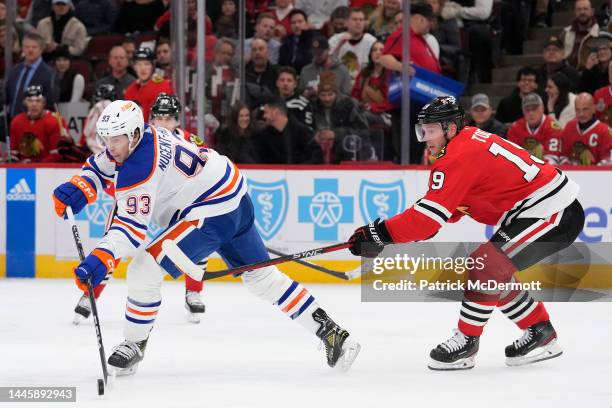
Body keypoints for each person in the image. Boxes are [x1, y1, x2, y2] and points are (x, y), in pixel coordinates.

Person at [51, 99, 360, 375]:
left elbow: (131, 230)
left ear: (132, 134)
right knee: (263, 280)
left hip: (212, 212)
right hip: (234, 196)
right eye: (107, 139)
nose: (110, 146)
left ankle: (133, 344)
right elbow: (103, 162)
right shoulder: (144, 135)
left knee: (144, 269)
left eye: (115, 139)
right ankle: (333, 334)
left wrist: (101, 257)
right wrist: (81, 185)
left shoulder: (139, 168)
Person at [349, 95, 583, 370]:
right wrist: (391, 235)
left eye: (432, 130)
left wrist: (379, 233)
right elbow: (442, 213)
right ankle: (540, 331)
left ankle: (467, 341)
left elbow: (426, 219)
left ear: (450, 128)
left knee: (486, 268)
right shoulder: (464, 143)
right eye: (423, 130)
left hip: (554, 212)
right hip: (541, 209)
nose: (425, 137)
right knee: (495, 270)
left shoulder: (458, 155)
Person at [5, 31, 58, 121]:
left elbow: (50, 103)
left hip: (36, 124)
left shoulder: (50, 74)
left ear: (41, 49)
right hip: (13, 122)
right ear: (22, 49)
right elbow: (7, 97)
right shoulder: (14, 71)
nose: (30, 50)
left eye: (34, 47)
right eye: (27, 47)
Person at [253, 98, 323, 164]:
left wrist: (298, 170)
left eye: (266, 112)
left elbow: (317, 157)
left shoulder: (302, 133)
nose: (264, 116)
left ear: (275, 112)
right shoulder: (264, 136)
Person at [9, 85, 68, 162]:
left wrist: (35, 164)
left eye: (38, 101)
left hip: (47, 170)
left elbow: (57, 156)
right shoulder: (17, 121)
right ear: (25, 103)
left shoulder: (55, 121)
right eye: (30, 101)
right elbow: (14, 154)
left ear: (44, 103)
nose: (34, 104)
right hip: (22, 169)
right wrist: (12, 160)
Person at [506, 93, 564, 164]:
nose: (531, 113)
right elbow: (512, 156)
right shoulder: (515, 128)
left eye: (534, 109)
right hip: (522, 171)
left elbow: (552, 159)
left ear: (542, 108)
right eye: (527, 110)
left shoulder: (553, 128)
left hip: (545, 171)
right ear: (523, 111)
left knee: (539, 149)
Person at [560, 92, 612, 165]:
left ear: (593, 109)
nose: (581, 114)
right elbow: (563, 154)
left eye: (585, 109)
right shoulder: (569, 126)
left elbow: (608, 158)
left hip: (596, 174)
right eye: (578, 110)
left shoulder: (605, 130)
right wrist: (570, 167)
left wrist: (592, 171)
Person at [124, 47, 173, 122]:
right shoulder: (130, 90)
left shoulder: (164, 85)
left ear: (153, 66)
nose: (142, 68)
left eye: (146, 64)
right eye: (139, 64)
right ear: (134, 66)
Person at [328, 7, 377, 81]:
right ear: (347, 22)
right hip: (339, 81)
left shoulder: (371, 41)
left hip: (363, 82)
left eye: (361, 20)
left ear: (364, 23)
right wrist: (340, 45)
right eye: (354, 19)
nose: (358, 22)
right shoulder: (335, 39)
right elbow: (328, 63)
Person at [559, 0, 600, 69]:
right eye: (579, 9)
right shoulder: (565, 33)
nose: (582, 12)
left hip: (589, 74)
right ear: (575, 12)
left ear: (592, 11)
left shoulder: (599, 34)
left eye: (585, 9)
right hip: (566, 74)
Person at [81, 83, 116, 155]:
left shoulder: (99, 106)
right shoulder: (117, 109)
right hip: (113, 151)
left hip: (96, 149)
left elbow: (87, 131)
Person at [278, 9, 316, 74]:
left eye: (300, 21)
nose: (297, 25)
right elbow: (281, 63)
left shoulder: (314, 39)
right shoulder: (286, 41)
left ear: (306, 23)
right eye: (293, 22)